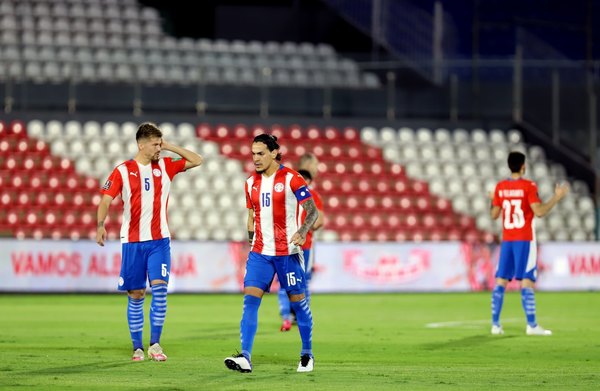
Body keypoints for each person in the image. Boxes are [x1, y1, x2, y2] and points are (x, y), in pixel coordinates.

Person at [96, 122, 203, 361]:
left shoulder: (165, 166)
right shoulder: (122, 170)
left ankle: (155, 344)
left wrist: (169, 146)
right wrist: (100, 225)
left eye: (160, 143)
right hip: (133, 242)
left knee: (161, 290)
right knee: (136, 293)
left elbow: (197, 160)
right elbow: (105, 200)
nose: (159, 149)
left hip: (159, 241)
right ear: (141, 145)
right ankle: (137, 347)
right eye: (155, 144)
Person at [224, 134, 319, 373]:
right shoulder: (250, 183)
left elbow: (312, 211)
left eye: (260, 153)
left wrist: (302, 231)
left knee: (298, 304)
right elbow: (250, 218)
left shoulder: (292, 179)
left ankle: (307, 353)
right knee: (250, 302)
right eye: (253, 154)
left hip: (287, 252)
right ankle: (245, 356)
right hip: (260, 253)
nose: (255, 158)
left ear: (275, 152)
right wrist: (250, 244)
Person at [489, 151, 568, 336]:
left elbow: (493, 215)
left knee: (501, 280)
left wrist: (491, 199)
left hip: (507, 239)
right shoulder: (528, 186)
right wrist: (556, 197)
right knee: (527, 281)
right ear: (523, 166)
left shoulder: (500, 187)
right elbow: (539, 212)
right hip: (524, 238)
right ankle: (532, 325)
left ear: (509, 166)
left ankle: (495, 325)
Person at [278, 167, 324, 332]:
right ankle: (289, 316)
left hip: (303, 245)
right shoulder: (287, 195)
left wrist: (303, 229)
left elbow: (319, 221)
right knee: (288, 282)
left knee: (300, 281)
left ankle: (297, 315)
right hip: (286, 245)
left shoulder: (313, 197)